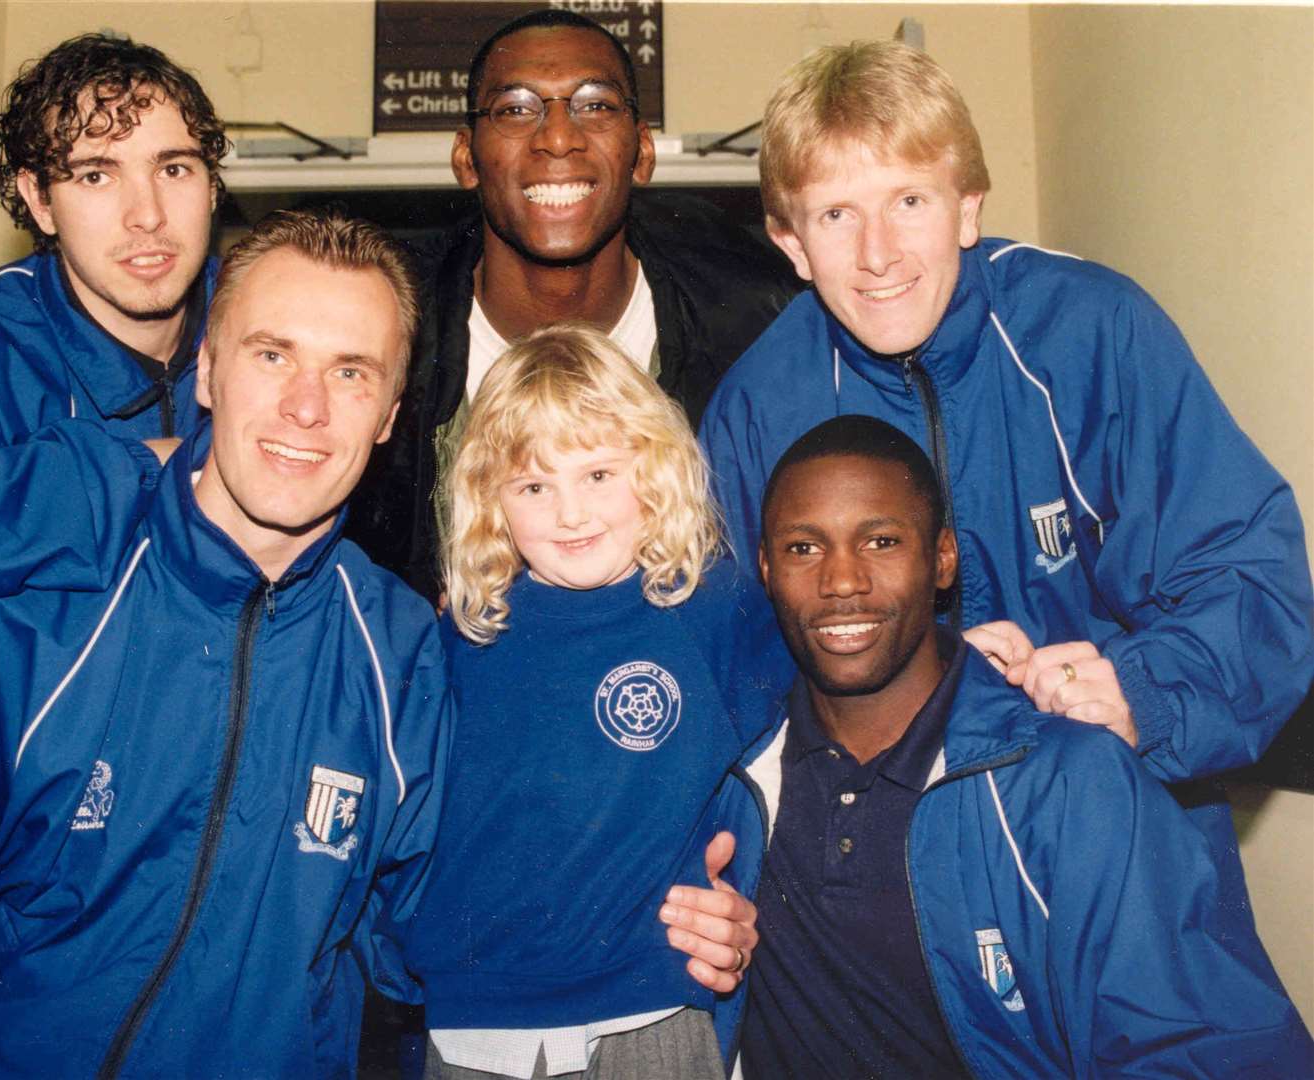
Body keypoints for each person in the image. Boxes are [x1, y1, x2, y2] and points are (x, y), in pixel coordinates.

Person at [0, 210, 453, 1077]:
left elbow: (437, 947)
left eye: (351, 372)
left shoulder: (402, 655)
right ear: (207, 371)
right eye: (272, 353)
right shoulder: (20, 605)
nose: (306, 406)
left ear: (388, 418)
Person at [699, 42, 1313, 834]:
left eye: (909, 202)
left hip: (1113, 805)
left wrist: (1141, 691)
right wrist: (918, 680)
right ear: (791, 245)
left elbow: (1247, 575)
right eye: (835, 215)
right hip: (886, 839)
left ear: (967, 209)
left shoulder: (1094, 331)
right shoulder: (757, 405)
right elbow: (727, 661)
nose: (876, 253)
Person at [731, 415, 1312, 1077]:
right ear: (766, 567)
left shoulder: (1067, 781)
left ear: (941, 558)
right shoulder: (733, 769)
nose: (841, 581)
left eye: (881, 541)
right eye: (804, 548)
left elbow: (1204, 1046)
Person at [407, 326, 791, 1080]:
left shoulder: (711, 608)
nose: (570, 513)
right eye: (533, 486)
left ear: (653, 468)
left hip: (649, 1007)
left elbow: (815, 735)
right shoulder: (462, 637)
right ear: (491, 500)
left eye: (598, 475)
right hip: (475, 1020)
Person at [346, 7, 802, 601]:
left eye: (595, 105)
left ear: (641, 153)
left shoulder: (751, 326)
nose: (558, 138)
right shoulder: (394, 334)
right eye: (515, 109)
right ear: (466, 158)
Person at [0, 33, 222, 637]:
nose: (148, 214)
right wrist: (139, 470)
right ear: (40, 200)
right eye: (95, 177)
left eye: (174, 167)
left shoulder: (265, 326)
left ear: (212, 186)